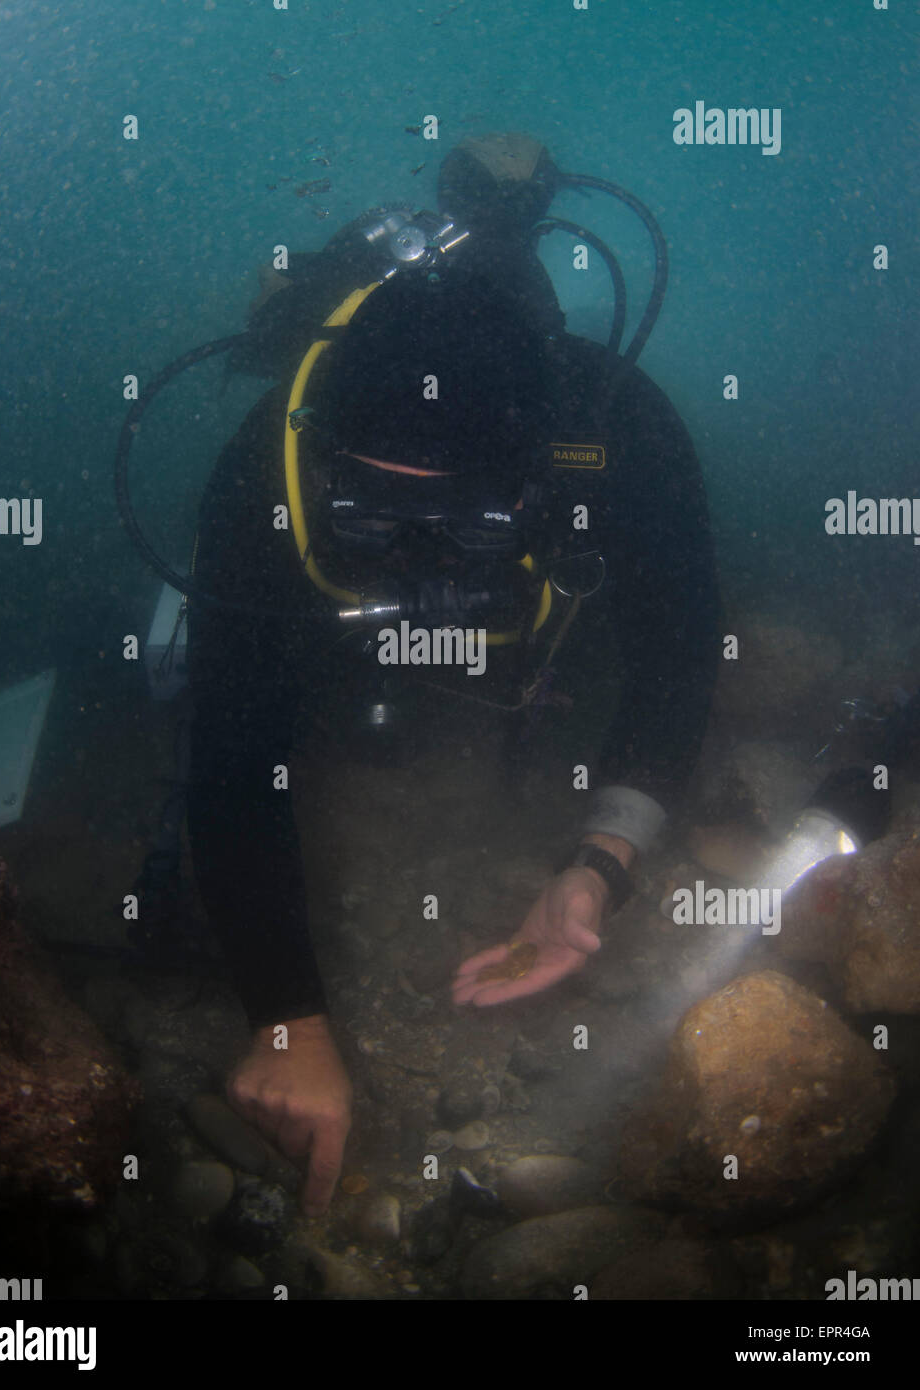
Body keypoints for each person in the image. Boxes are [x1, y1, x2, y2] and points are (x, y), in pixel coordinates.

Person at [184, 135, 721, 1219]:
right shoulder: (263, 467)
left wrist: (599, 865)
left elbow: (678, 654)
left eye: (463, 525)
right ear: (322, 458)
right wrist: (287, 1020)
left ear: (537, 486)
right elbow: (229, 754)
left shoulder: (621, 439)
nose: (416, 563)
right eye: (374, 517)